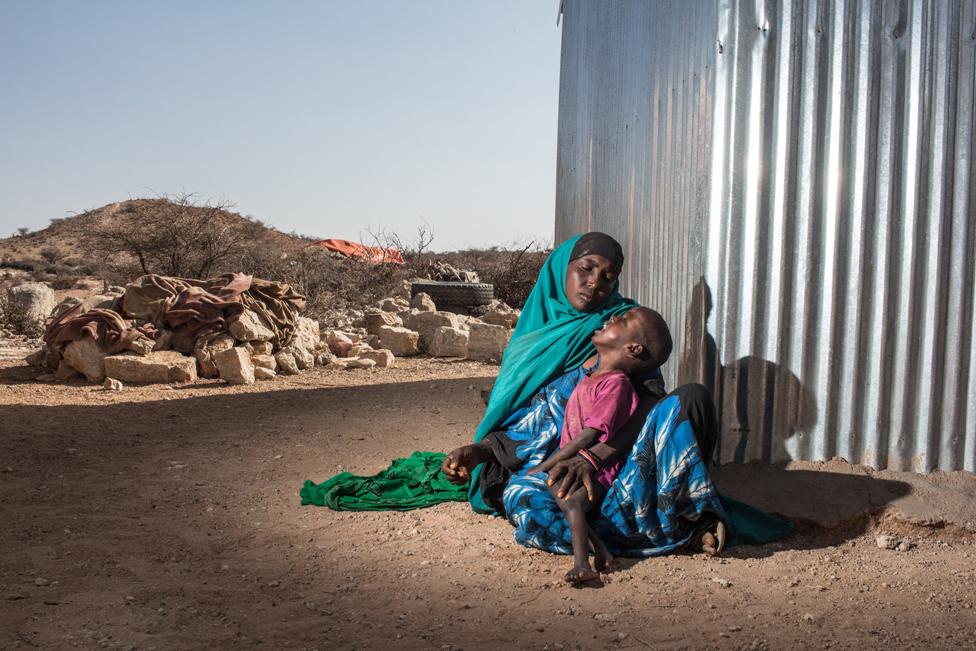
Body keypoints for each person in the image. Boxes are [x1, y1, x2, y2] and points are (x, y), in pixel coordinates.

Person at [441, 232, 732, 563]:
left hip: (618, 459)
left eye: (608, 277)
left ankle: (674, 519)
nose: (595, 283)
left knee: (693, 399)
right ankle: (635, 532)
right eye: (586, 268)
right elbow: (535, 419)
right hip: (551, 467)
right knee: (518, 492)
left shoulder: (628, 323)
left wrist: (593, 458)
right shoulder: (537, 329)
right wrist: (478, 451)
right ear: (562, 268)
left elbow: (649, 408)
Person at [526, 306, 673, 582]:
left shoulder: (616, 385)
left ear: (634, 348)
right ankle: (600, 549)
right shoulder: (591, 378)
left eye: (625, 320)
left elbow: (589, 436)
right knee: (561, 498)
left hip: (595, 469)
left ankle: (583, 564)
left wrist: (547, 464)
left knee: (571, 501)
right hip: (573, 461)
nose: (615, 317)